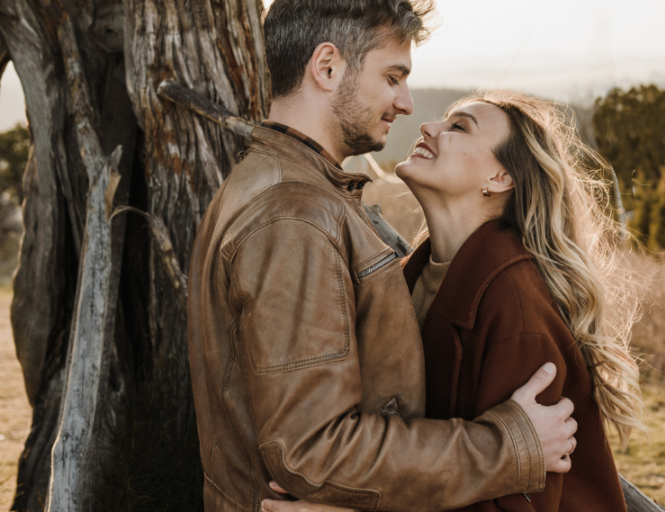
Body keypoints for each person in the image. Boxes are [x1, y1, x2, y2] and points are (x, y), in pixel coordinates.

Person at [187, 0, 579, 512]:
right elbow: (312, 452)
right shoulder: (293, 215)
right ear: (327, 66)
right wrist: (506, 446)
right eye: (392, 77)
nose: (407, 104)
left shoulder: (280, 187)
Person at [262, 91, 644, 512]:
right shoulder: (411, 277)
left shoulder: (516, 309)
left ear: (500, 179)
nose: (429, 127)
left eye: (459, 127)